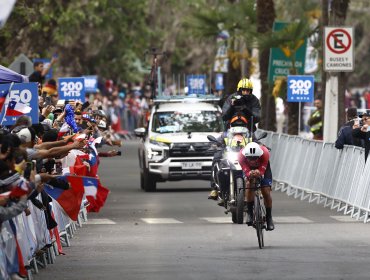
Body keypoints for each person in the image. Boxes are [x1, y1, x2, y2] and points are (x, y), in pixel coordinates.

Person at [238, 142, 274, 231]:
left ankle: (269, 217)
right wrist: (249, 173)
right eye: (250, 158)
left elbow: (263, 169)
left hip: (263, 169)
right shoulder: (241, 155)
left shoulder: (265, 153)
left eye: (255, 158)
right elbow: (245, 170)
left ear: (259, 155)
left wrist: (260, 172)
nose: (253, 160)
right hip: (248, 169)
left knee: (266, 191)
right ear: (246, 156)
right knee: (249, 185)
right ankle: (250, 213)